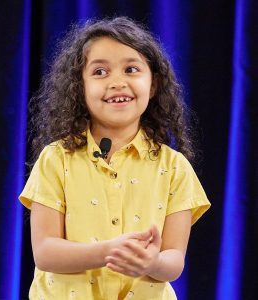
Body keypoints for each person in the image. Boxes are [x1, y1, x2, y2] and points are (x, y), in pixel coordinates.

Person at [19, 16, 211, 300]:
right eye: (100, 72)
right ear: (79, 87)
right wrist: (110, 251)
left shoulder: (175, 168)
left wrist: (152, 263)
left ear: (154, 85)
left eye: (131, 69)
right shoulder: (55, 159)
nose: (117, 82)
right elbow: (45, 252)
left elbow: (174, 261)